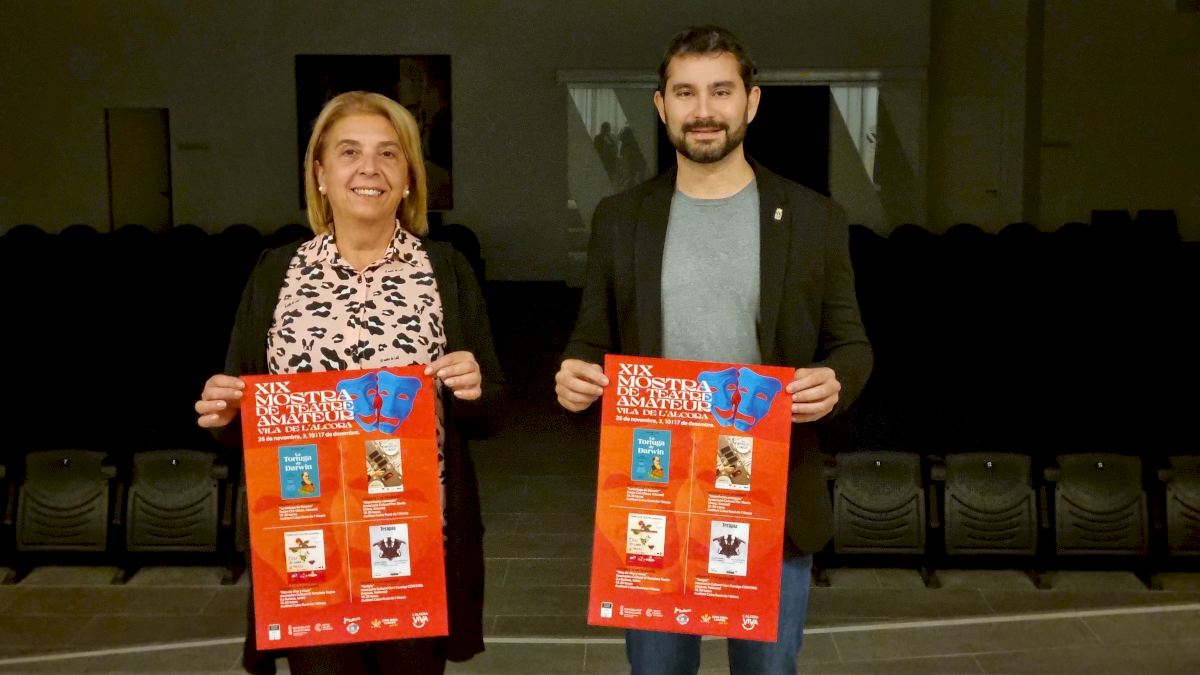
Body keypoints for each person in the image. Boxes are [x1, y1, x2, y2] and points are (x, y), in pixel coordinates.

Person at [554, 25, 872, 675]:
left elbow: (852, 345)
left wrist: (835, 380)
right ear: (661, 105)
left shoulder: (814, 218)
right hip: (655, 495)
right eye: (686, 93)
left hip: (771, 500)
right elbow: (591, 337)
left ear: (751, 102)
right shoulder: (620, 217)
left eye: (721, 91)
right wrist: (574, 374)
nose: (704, 110)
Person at [195, 91, 502, 675]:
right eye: (349, 152)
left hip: (414, 545)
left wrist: (472, 386)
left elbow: (491, 411)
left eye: (389, 153)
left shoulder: (446, 269)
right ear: (320, 173)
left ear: (408, 176)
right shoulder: (275, 271)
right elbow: (241, 408)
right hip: (310, 543)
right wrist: (224, 414)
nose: (369, 168)